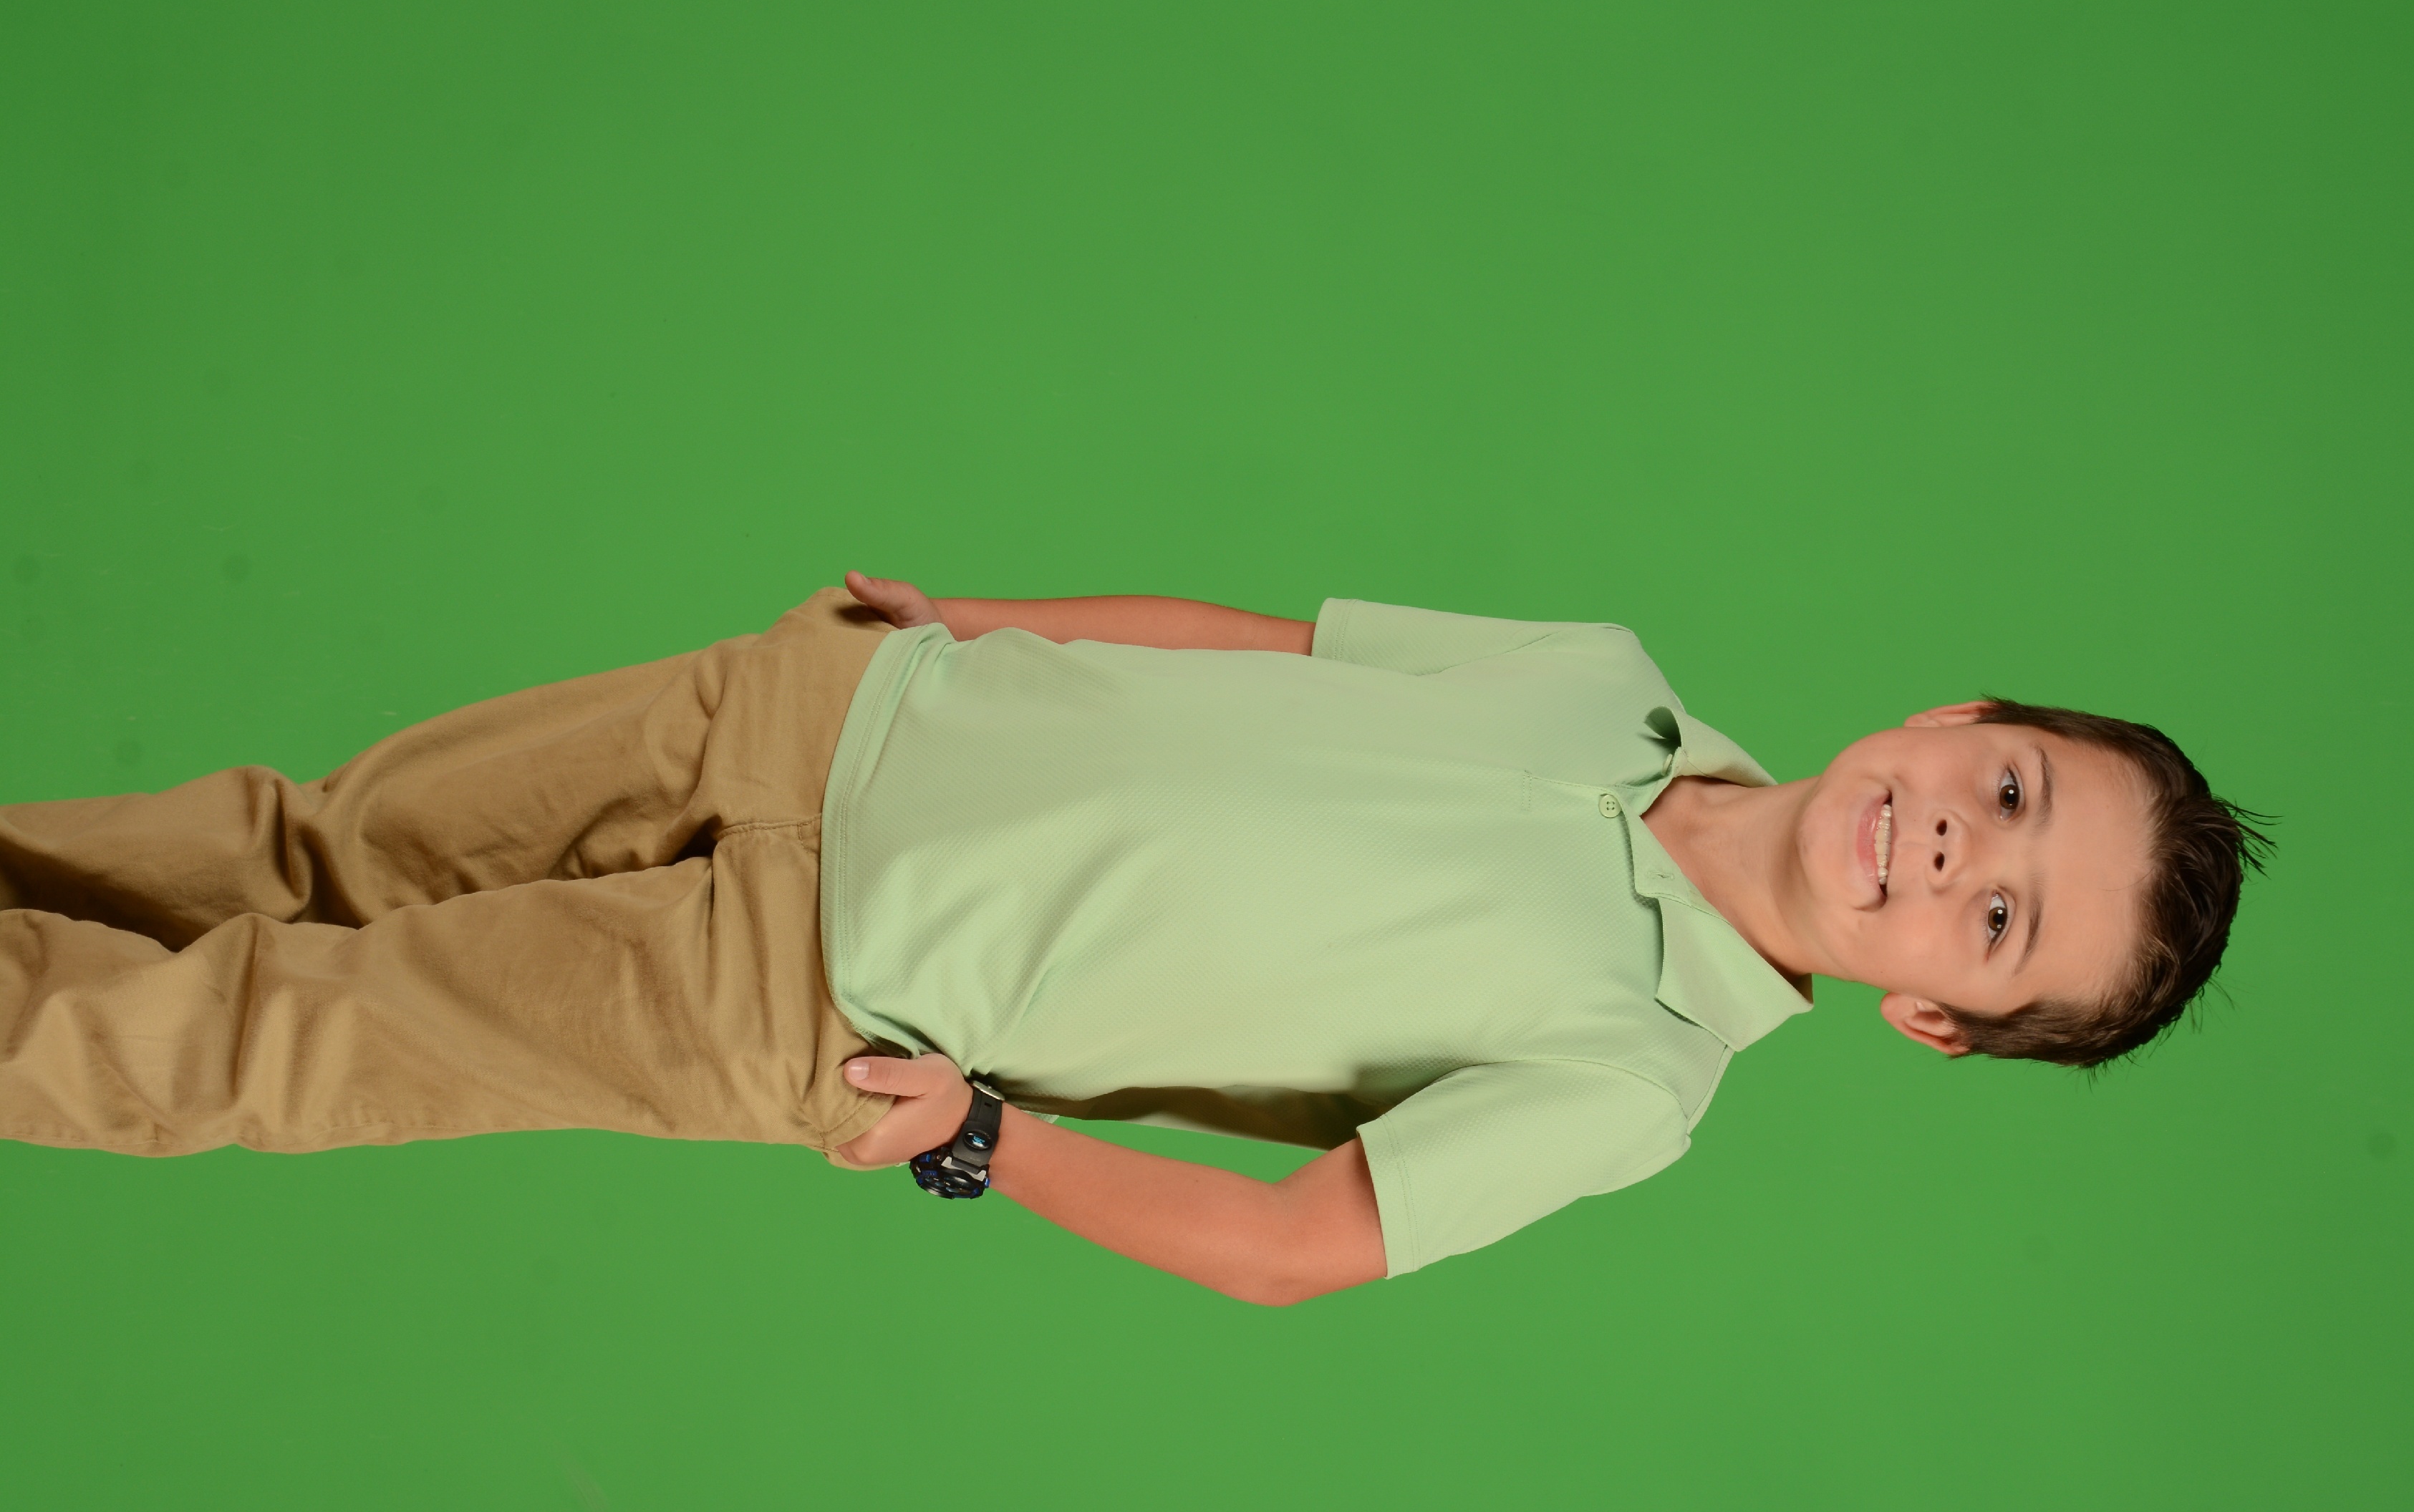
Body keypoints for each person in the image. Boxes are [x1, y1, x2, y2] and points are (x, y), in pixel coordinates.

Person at [0, 574, 2268, 1304]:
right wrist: (970, 621)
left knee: (280, 1037)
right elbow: (1261, 644)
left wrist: (979, 1140)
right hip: (827, 719)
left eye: (1993, 920)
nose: (1941, 845)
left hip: (815, 991)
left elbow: (1294, 1244)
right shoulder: (1608, 682)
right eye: (2003, 791)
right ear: (1959, 716)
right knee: (306, 845)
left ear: (1937, 1019)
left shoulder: (1635, 1077)